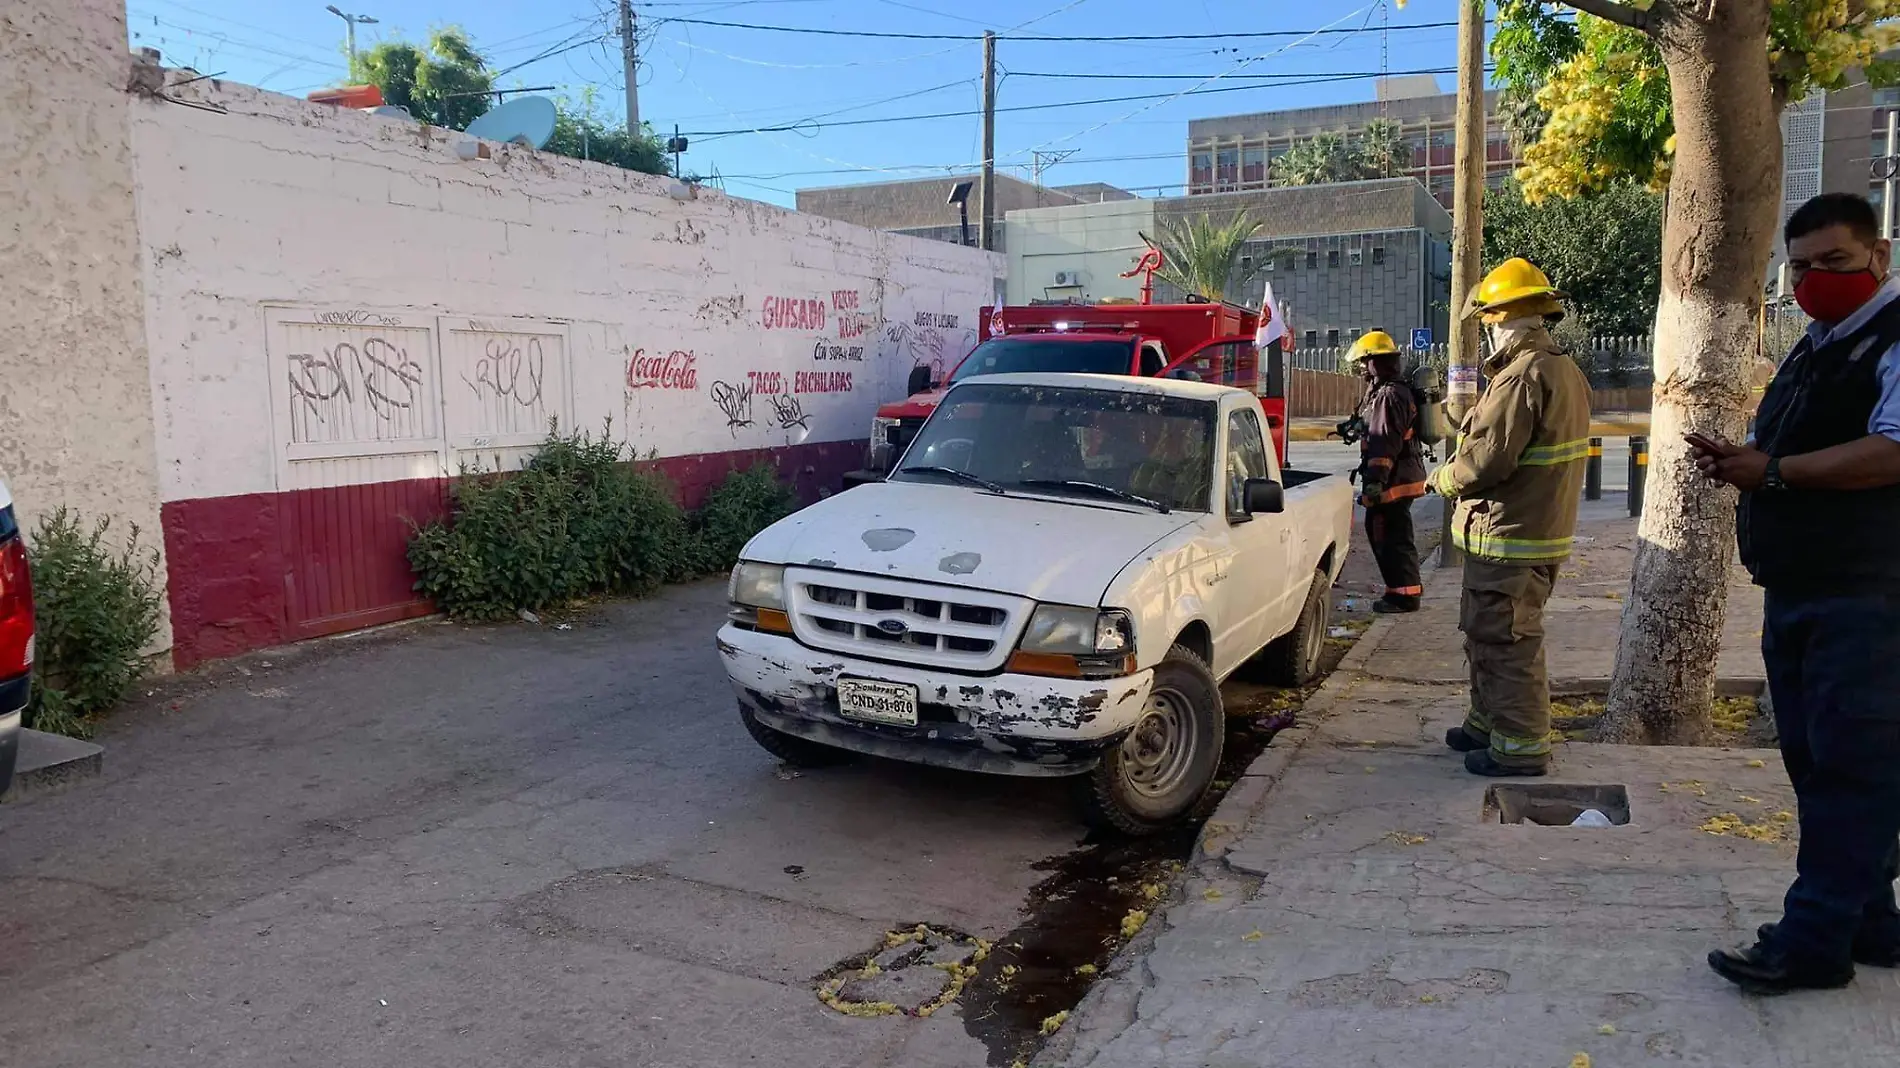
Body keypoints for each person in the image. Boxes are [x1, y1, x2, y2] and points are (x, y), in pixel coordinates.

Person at [1693, 192, 1900, 995]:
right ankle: (1872, 922)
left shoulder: (1891, 336)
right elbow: (1796, 440)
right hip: (1804, 589)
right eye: (1803, 267)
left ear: (1878, 257)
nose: (1816, 281)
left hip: (1871, 593)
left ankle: (1812, 941)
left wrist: (1773, 472)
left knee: (1852, 766)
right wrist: (1749, 457)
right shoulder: (1816, 346)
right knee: (1819, 761)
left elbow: (1891, 451)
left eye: (1836, 262)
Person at [1428, 258, 1592, 778]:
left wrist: (1442, 480)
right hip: (1521, 534)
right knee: (1486, 634)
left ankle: (1520, 747)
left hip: (1511, 535)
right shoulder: (1562, 371)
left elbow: (1486, 461)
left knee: (1508, 642)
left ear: (1504, 316)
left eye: (1490, 321)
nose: (1490, 332)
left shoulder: (1523, 376)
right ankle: (1487, 723)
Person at [1345, 331, 1427, 614]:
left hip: (1394, 481)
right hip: (1399, 477)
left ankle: (1404, 595)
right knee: (1389, 532)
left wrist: (1375, 482)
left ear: (1375, 362)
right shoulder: (1388, 391)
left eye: (1363, 362)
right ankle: (1401, 590)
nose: (1360, 369)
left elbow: (1384, 443)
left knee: (1389, 534)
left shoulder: (1389, 395)